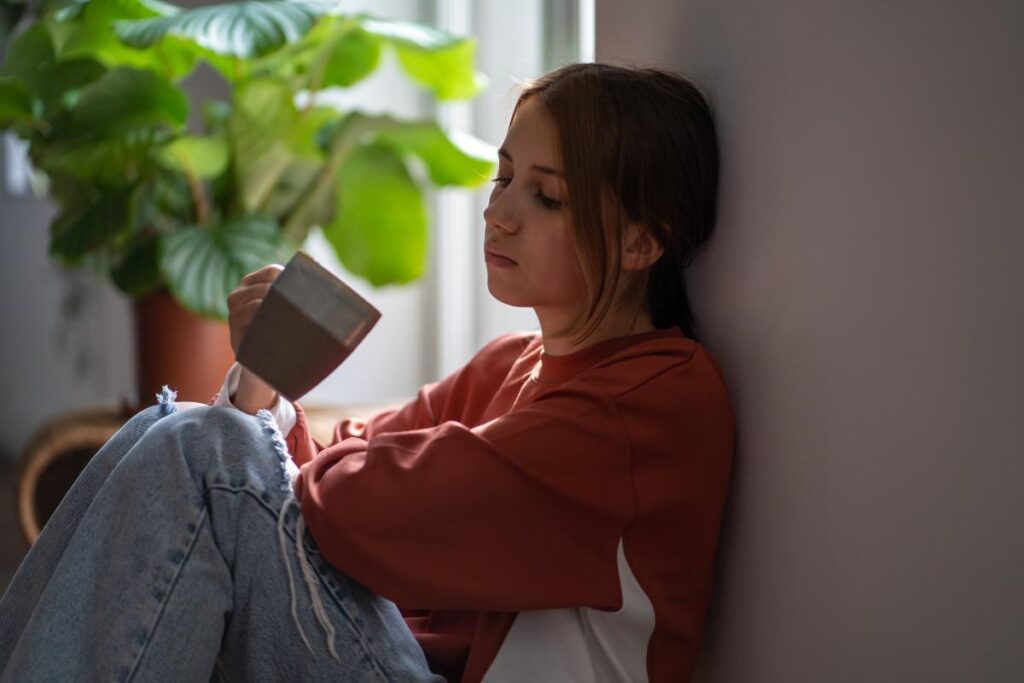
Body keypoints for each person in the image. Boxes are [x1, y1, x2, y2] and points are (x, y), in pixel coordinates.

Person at [0, 62, 734, 682]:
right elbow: (343, 469)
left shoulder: (652, 404)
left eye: (546, 195)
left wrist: (271, 442)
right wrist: (262, 381)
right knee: (172, 430)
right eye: (504, 176)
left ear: (641, 241)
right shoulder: (514, 364)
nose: (499, 212)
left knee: (213, 456)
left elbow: (349, 511)